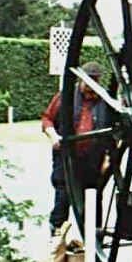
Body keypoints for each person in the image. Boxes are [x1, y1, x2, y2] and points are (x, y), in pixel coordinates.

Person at [42, 61, 110, 248]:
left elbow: (114, 132)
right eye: (88, 82)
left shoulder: (104, 100)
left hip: (92, 159)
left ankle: (94, 248)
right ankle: (55, 243)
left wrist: (107, 158)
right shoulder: (66, 96)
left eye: (95, 82)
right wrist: (53, 135)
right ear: (81, 81)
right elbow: (47, 118)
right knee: (63, 196)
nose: (91, 88)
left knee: (93, 200)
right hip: (67, 157)